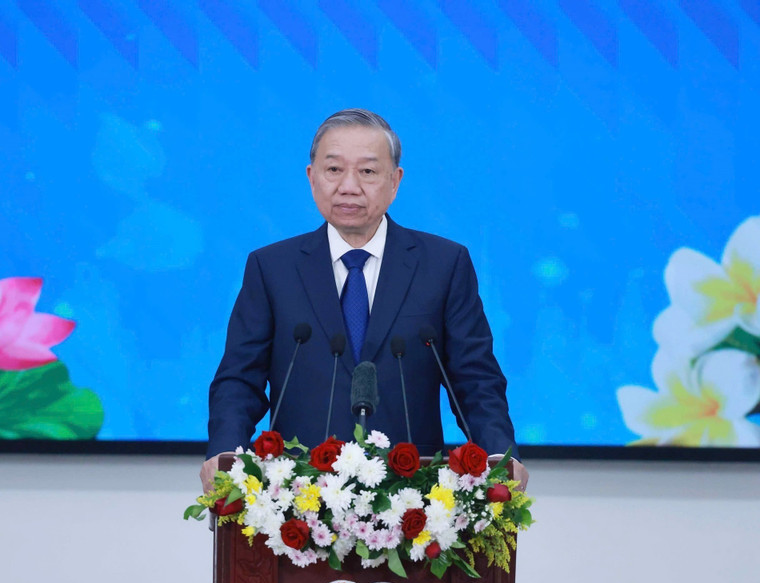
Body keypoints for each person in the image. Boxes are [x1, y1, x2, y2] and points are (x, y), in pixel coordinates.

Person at [200, 109, 528, 492]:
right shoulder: (271, 268)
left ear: (395, 181)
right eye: (334, 170)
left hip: (411, 494)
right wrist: (225, 452)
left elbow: (475, 380)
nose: (349, 186)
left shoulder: (443, 264)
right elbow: (239, 381)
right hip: (297, 495)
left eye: (368, 171)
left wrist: (498, 455)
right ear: (311, 177)